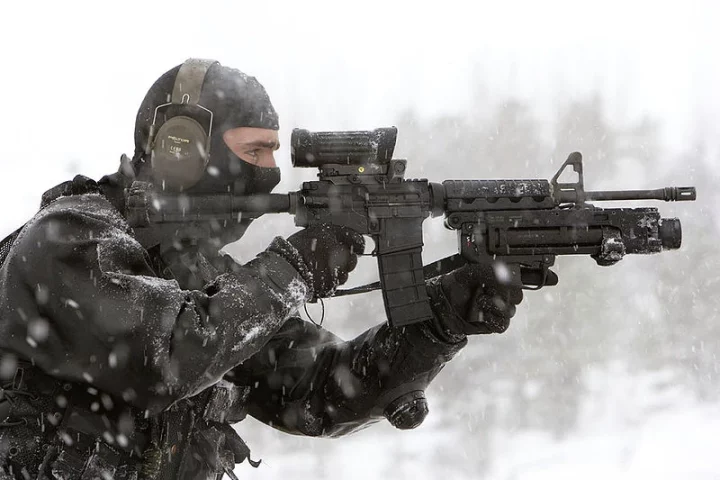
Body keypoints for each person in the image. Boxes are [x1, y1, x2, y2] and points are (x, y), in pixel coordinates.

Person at [0, 59, 525, 480]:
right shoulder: (69, 239)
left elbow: (320, 393)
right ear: (181, 151)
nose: (269, 173)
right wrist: (295, 266)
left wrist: (443, 317)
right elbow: (164, 362)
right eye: (253, 150)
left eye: (273, 153)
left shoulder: (197, 275)